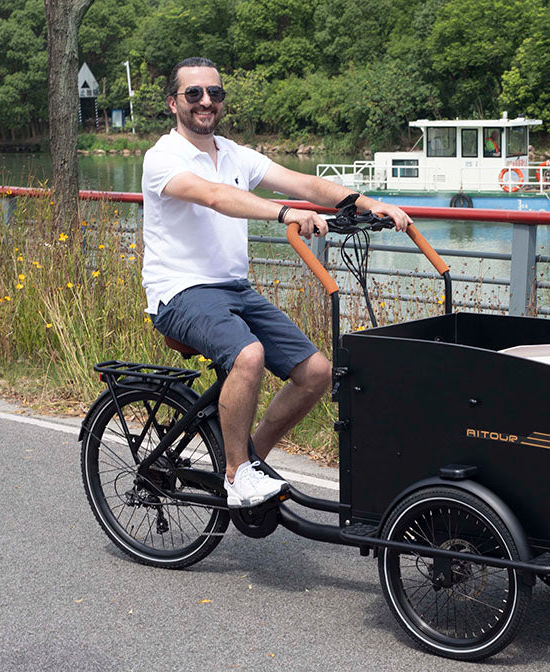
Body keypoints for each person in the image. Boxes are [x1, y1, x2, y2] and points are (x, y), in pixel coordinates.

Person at [141, 57, 412, 508]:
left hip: (234, 289)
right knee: (248, 355)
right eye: (194, 93)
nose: (206, 101)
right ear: (174, 103)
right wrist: (284, 212)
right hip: (180, 292)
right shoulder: (162, 157)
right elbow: (215, 196)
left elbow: (305, 184)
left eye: (214, 93)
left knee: (316, 373)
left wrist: (368, 203)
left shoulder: (234, 154)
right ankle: (235, 475)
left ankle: (251, 459)